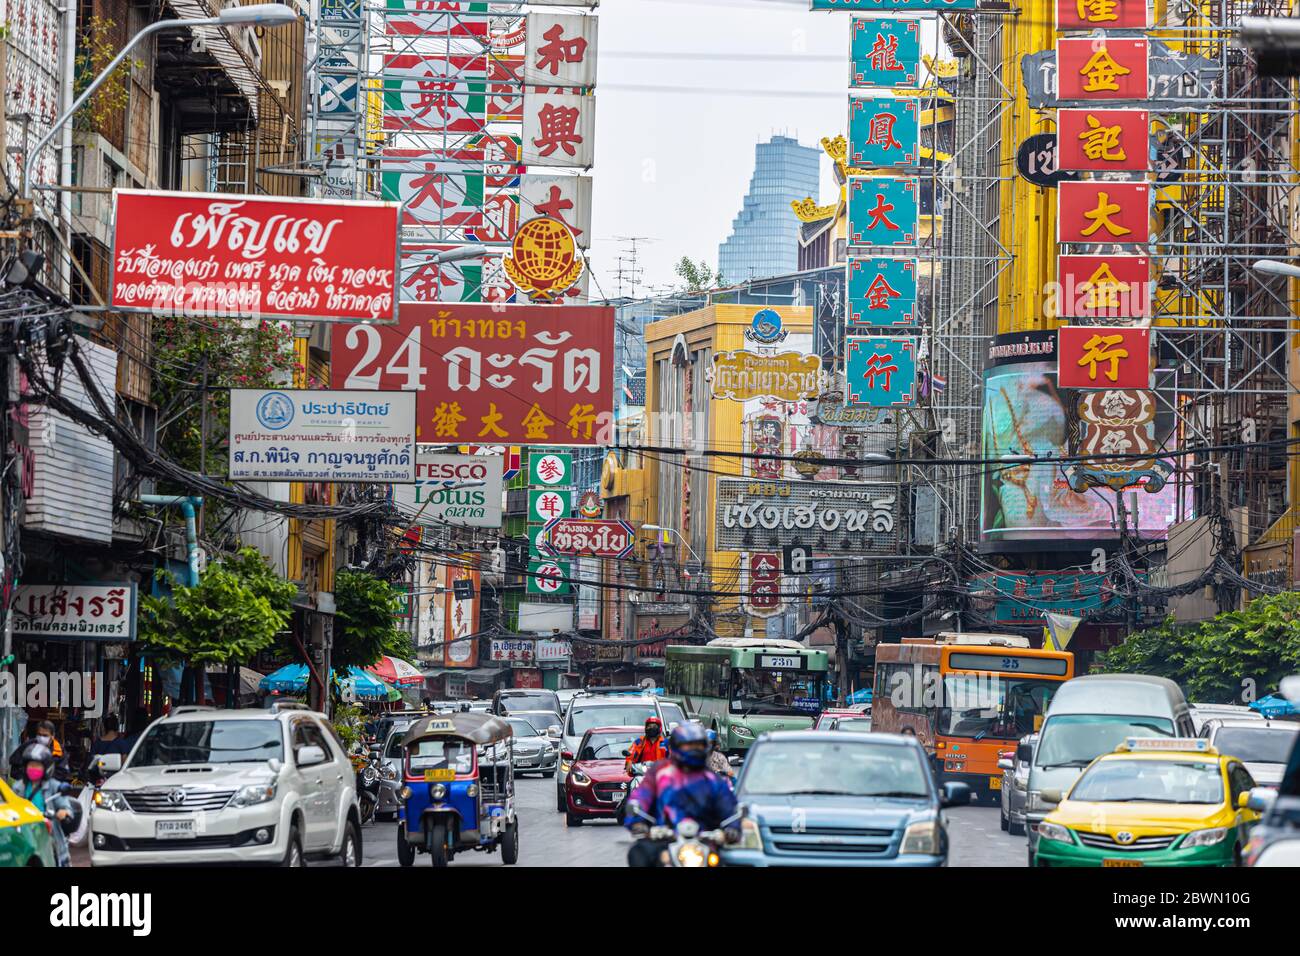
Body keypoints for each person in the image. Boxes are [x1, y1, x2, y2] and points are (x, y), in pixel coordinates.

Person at [623, 722, 739, 867]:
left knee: (735, 859)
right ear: (677, 746)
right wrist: (637, 821)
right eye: (688, 745)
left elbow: (729, 808)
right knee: (638, 853)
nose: (694, 749)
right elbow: (641, 798)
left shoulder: (713, 780)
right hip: (665, 839)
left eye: (698, 745)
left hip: (705, 841)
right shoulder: (659, 773)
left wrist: (733, 827)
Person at [14, 740, 77, 867]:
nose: (33, 768)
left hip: (49, 838)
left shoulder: (54, 786)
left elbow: (65, 807)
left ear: (46, 767)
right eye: (30, 765)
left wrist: (64, 813)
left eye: (37, 765)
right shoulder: (18, 787)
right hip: (26, 837)